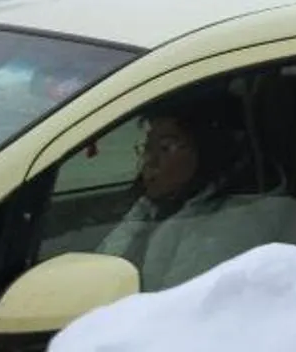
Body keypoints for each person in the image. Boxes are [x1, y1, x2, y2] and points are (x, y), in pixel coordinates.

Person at [96, 98, 250, 291]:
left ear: (207, 150)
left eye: (165, 148)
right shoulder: (153, 205)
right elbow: (104, 265)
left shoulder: (220, 229)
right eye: (146, 147)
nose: (149, 161)